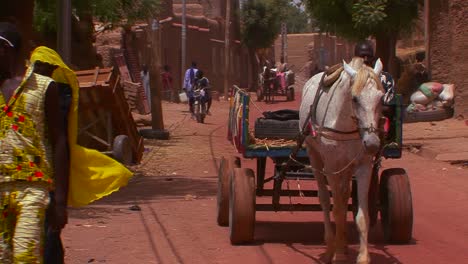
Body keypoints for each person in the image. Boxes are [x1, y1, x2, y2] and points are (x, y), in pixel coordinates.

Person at [0, 22, 69, 263]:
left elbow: (60, 140)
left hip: (33, 187)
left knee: (26, 256)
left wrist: (60, 200)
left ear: (4, 49)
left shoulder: (43, 87)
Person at [354, 40, 400, 155]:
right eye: (361, 56)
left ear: (373, 58)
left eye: (368, 56)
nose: (365, 59)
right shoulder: (350, 78)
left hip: (377, 119)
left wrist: (370, 108)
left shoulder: (385, 78)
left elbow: (389, 107)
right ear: (355, 58)